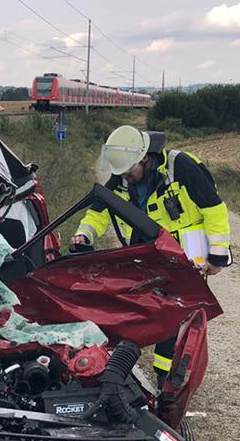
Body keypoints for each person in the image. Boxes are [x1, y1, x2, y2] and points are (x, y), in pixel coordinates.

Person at [69, 125, 230, 388]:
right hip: (148, 248)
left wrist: (217, 255)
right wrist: (83, 235)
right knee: (140, 306)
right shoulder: (125, 175)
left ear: (144, 157)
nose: (126, 178)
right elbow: (100, 210)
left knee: (176, 314)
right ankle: (125, 365)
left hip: (186, 253)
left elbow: (214, 210)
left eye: (129, 172)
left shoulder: (181, 167)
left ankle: (168, 378)